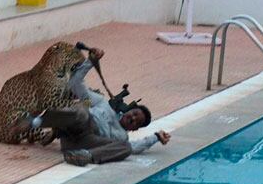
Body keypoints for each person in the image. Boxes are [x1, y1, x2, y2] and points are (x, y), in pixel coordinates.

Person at [11, 47, 171, 166]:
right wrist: (90, 61)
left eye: (137, 121)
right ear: (129, 110)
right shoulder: (102, 103)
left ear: (135, 129)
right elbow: (75, 84)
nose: (133, 118)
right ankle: (33, 123)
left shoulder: (122, 137)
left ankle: (85, 157)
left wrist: (155, 137)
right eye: (135, 113)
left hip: (81, 145)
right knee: (82, 110)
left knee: (127, 148)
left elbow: (136, 147)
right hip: (75, 126)